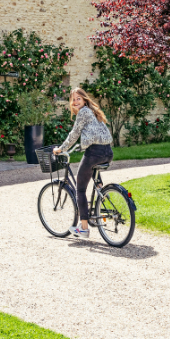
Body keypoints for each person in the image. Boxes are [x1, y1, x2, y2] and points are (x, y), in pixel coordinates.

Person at [52, 88, 114, 239]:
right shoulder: (93, 111)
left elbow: (74, 134)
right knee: (91, 169)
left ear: (84, 100)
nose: (75, 102)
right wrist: (83, 145)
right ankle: (100, 190)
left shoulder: (83, 112)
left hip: (94, 153)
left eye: (78, 98)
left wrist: (61, 149)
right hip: (107, 152)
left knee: (80, 190)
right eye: (73, 99)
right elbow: (93, 132)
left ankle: (84, 228)